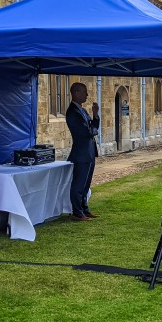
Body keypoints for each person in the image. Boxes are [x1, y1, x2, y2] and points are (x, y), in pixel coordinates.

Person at [65, 82, 100, 221]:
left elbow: (93, 127)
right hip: (81, 153)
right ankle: (77, 213)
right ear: (76, 93)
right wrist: (92, 130)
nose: (87, 95)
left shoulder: (83, 110)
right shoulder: (72, 112)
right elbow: (87, 132)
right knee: (78, 185)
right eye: (84, 92)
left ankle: (85, 209)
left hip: (89, 152)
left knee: (86, 184)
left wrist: (95, 115)